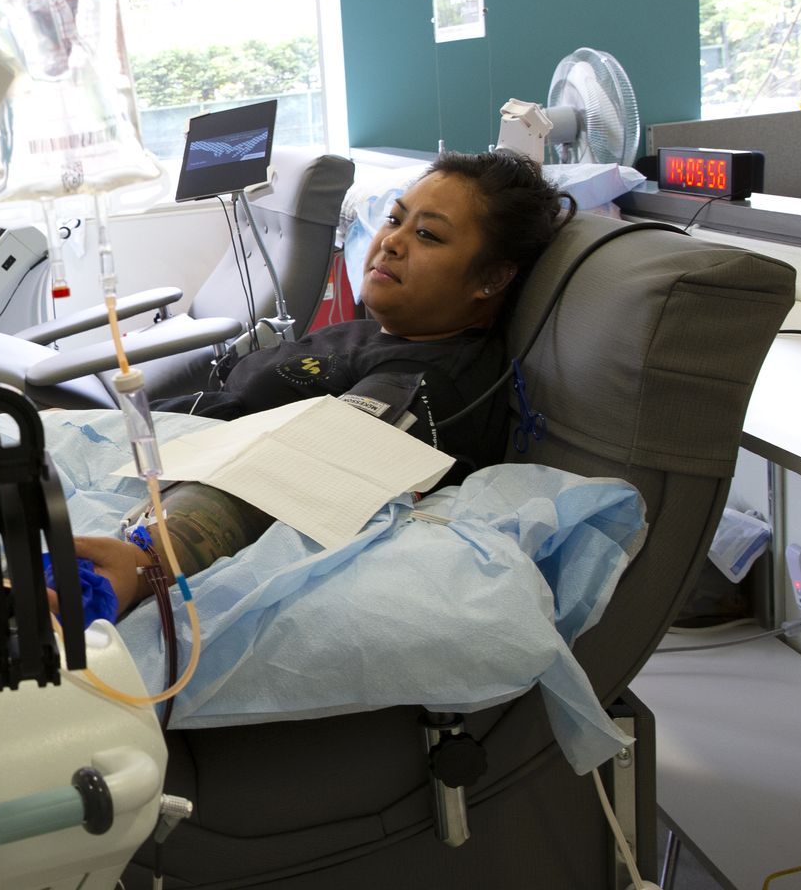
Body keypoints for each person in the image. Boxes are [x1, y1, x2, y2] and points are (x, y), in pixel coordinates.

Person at [74, 149, 575, 616]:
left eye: (429, 236)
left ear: (491, 278)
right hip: (141, 452)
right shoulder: (381, 331)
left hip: (154, 525)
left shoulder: (423, 381)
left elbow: (292, 474)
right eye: (396, 219)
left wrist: (146, 564)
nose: (392, 242)